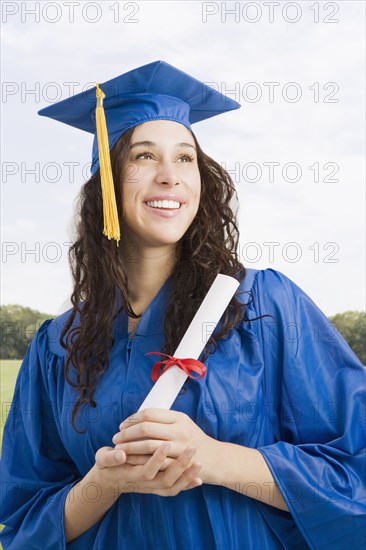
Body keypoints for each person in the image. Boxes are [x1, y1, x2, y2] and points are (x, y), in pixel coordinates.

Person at [0, 60, 365, 550]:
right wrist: (104, 484)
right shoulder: (58, 346)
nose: (170, 176)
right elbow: (26, 519)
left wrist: (217, 459)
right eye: (144, 156)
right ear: (105, 185)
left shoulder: (263, 306)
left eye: (186, 158)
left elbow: (354, 473)